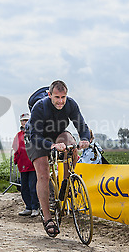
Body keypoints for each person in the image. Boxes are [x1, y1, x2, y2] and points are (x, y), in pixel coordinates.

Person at [25, 80, 90, 237]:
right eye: (57, 97)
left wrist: (85, 139)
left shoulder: (71, 104)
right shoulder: (40, 107)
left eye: (63, 97)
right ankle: (48, 218)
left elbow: (82, 125)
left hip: (58, 133)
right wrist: (51, 146)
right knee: (43, 173)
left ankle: (66, 185)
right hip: (37, 138)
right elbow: (35, 136)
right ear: (49, 95)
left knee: (72, 144)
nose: (60, 101)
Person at [13, 112, 40, 217]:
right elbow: (16, 149)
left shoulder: (35, 133)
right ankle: (28, 207)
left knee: (33, 187)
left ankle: (35, 207)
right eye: (23, 120)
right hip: (22, 165)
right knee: (24, 188)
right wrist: (16, 159)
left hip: (33, 165)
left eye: (27, 120)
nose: (25, 122)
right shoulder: (18, 135)